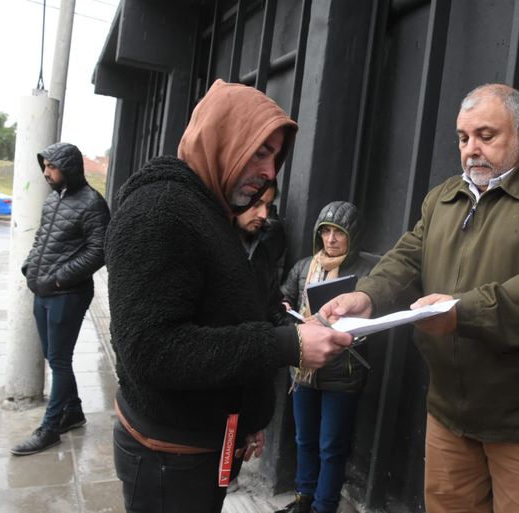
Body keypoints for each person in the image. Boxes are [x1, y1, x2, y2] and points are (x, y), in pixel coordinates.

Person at [322, 84, 519, 513]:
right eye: (463, 138)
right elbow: (407, 257)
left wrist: (463, 312)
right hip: (449, 415)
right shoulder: (442, 198)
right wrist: (365, 296)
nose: (471, 149)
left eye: (486, 135)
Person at [104, 79, 353, 513]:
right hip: (169, 457)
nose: (270, 172)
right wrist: (287, 345)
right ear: (222, 138)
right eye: (259, 151)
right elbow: (151, 351)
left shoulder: (211, 210)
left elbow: (230, 308)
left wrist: (245, 411)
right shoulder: (160, 211)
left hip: (205, 443)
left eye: (276, 156)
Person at [11, 142, 111, 456]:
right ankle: (74, 411)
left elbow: (99, 251)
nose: (46, 173)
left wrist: (58, 278)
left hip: (67, 294)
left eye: (51, 167)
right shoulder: (54, 199)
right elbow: (43, 239)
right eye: (44, 166)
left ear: (67, 168)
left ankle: (50, 428)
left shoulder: (92, 203)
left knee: (59, 361)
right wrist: (30, 267)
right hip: (42, 291)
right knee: (54, 357)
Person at [276, 201, 375, 513]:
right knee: (304, 438)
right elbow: (284, 299)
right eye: (326, 231)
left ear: (353, 236)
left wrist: (347, 329)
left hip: (341, 373)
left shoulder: (364, 273)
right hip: (304, 368)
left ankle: (324, 506)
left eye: (339, 233)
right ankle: (304, 498)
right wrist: (287, 313)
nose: (331, 239)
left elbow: (372, 321)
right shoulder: (304, 267)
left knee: (331, 447)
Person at [235, 179, 288, 327]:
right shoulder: (211, 241)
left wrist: (297, 332)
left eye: (268, 206)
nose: (263, 214)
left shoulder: (262, 251)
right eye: (256, 204)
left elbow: (272, 307)